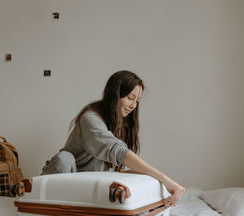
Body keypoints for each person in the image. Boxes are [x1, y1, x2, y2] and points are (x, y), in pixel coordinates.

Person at [41, 70, 185, 206]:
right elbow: (117, 150)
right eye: (130, 98)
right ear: (115, 95)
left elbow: (115, 172)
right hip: (65, 180)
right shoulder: (90, 118)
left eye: (137, 101)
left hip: (89, 187)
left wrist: (156, 181)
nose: (133, 105)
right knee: (64, 158)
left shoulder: (121, 124)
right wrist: (166, 180)